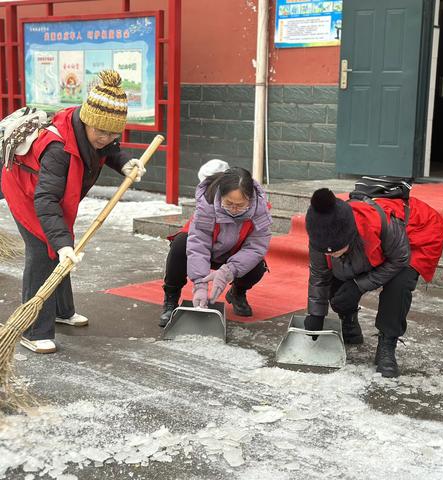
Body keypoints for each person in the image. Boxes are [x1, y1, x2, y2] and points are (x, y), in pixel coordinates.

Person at [1, 70, 146, 354]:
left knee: (62, 245)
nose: (106, 138)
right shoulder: (59, 149)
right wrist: (61, 242)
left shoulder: (95, 132)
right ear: (87, 121)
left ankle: (62, 311)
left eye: (112, 131)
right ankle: (33, 329)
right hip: (27, 191)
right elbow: (46, 201)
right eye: (100, 131)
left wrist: (126, 163)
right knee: (45, 250)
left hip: (50, 194)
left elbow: (111, 149)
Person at [304, 188, 443, 377]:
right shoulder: (320, 235)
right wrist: (316, 314)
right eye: (327, 251)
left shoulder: (379, 223)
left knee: (399, 284)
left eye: (336, 249)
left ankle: (388, 343)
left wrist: (358, 286)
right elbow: (320, 276)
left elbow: (399, 259)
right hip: (379, 243)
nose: (331, 254)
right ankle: (349, 319)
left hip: (416, 233)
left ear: (350, 235)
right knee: (336, 271)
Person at [159, 167, 272, 326]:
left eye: (240, 205)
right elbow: (198, 244)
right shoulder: (208, 203)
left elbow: (255, 248)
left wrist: (228, 271)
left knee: (257, 265)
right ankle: (171, 298)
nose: (234, 209)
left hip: (233, 254)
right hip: (206, 250)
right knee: (180, 245)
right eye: (229, 203)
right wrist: (200, 284)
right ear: (221, 196)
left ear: (250, 199)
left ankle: (238, 292)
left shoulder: (260, 211)